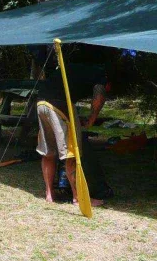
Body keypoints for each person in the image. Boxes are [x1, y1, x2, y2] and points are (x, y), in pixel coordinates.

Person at [35, 61, 108, 207]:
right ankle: (78, 198)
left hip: (40, 102)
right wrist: (92, 118)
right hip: (59, 102)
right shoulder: (101, 75)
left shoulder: (75, 68)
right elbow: (99, 97)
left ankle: (49, 194)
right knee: (72, 154)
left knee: (48, 151)